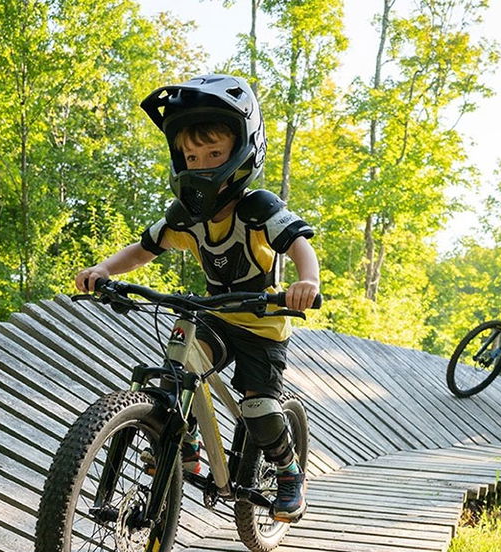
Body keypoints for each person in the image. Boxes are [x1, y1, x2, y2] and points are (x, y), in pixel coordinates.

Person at [76, 74, 320, 521]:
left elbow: (300, 243)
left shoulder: (258, 207)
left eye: (214, 154)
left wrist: (307, 281)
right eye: (192, 156)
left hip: (262, 324)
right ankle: (183, 447)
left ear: (243, 152)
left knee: (259, 406)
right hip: (214, 316)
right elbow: (145, 249)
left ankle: (289, 472)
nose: (202, 164)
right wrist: (104, 270)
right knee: (173, 371)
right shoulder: (187, 216)